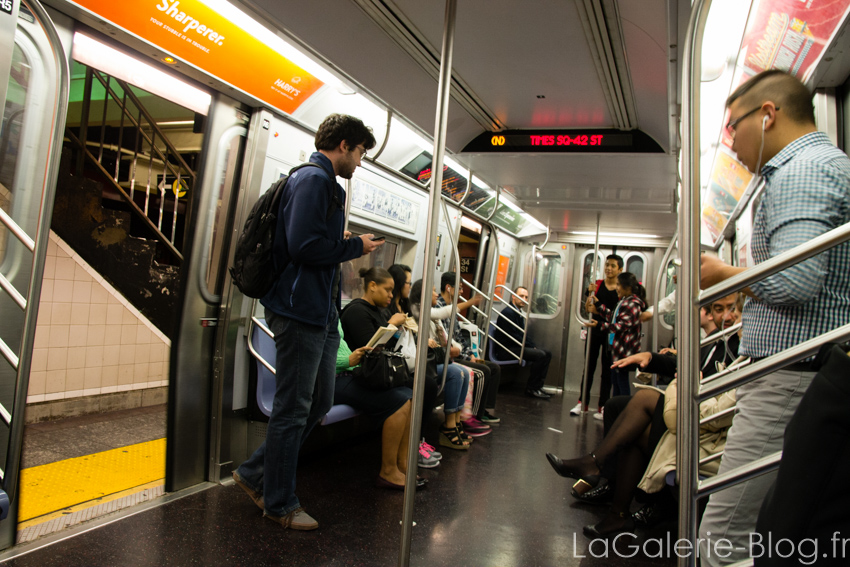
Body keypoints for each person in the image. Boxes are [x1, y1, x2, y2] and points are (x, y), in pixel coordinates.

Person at [698, 70, 850, 565]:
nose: (732, 141)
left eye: (732, 126)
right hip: (795, 373)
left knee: (723, 536)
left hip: (792, 376)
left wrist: (724, 273)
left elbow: (796, 282)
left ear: (767, 115)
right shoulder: (810, 166)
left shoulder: (800, 172)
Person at [232, 114, 381, 531]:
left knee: (318, 401)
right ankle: (279, 502)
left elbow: (312, 242)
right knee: (293, 408)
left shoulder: (321, 184)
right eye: (360, 153)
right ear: (345, 144)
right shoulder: (315, 180)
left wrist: (339, 241)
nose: (360, 162)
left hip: (318, 311)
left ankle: (253, 473)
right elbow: (303, 246)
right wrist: (353, 245)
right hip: (298, 310)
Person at [546, 293, 741, 537]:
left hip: (703, 424)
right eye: (719, 309)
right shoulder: (718, 340)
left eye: (733, 311)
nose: (726, 317)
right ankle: (612, 493)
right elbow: (687, 365)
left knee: (644, 402)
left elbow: (707, 384)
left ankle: (597, 467)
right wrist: (651, 357)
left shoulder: (736, 348)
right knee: (617, 405)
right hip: (693, 412)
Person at [336, 267, 433, 487]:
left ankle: (403, 463)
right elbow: (370, 349)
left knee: (414, 391)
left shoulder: (380, 310)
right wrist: (391, 326)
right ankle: (388, 470)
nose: (392, 295)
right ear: (372, 286)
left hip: (370, 373)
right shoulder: (355, 312)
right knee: (402, 399)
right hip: (358, 373)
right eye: (387, 290)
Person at [409, 280, 475, 449]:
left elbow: (450, 341)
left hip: (438, 357)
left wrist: (457, 349)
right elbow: (443, 313)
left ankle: (456, 422)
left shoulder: (433, 320)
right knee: (454, 371)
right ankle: (449, 427)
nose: (436, 294)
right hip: (427, 362)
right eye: (432, 291)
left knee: (465, 372)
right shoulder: (419, 311)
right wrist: (469, 303)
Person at [436, 272, 502, 425]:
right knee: (483, 371)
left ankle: (484, 409)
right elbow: (447, 340)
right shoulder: (441, 308)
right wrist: (466, 357)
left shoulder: (452, 309)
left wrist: (471, 354)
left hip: (459, 352)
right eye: (458, 289)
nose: (461, 292)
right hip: (450, 354)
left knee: (494, 368)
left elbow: (459, 336)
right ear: (448, 288)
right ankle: (474, 415)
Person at [571, 255, 623, 417]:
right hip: (594, 330)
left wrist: (599, 310)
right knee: (589, 367)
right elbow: (589, 309)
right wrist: (590, 296)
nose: (609, 268)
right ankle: (582, 402)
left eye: (613, 266)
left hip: (610, 332)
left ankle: (603, 405)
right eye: (607, 265)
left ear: (619, 270)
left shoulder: (620, 289)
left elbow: (617, 315)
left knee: (607, 370)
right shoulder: (598, 285)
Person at [583, 272, 646, 399]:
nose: (616, 288)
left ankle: (623, 410)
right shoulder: (624, 301)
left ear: (627, 287)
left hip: (624, 350)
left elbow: (621, 326)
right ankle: (617, 410)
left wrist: (599, 325)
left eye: (618, 285)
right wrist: (599, 306)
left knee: (621, 383)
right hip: (617, 349)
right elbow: (613, 317)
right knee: (616, 381)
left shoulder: (632, 304)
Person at [492, 286, 553, 399]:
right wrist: (530, 346)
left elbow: (522, 335)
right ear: (513, 297)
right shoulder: (508, 313)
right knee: (540, 355)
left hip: (515, 346)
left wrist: (532, 346)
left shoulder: (517, 312)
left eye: (526, 297)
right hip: (506, 349)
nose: (524, 299)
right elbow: (513, 336)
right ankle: (532, 388)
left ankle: (538, 386)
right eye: (521, 296)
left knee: (547, 353)